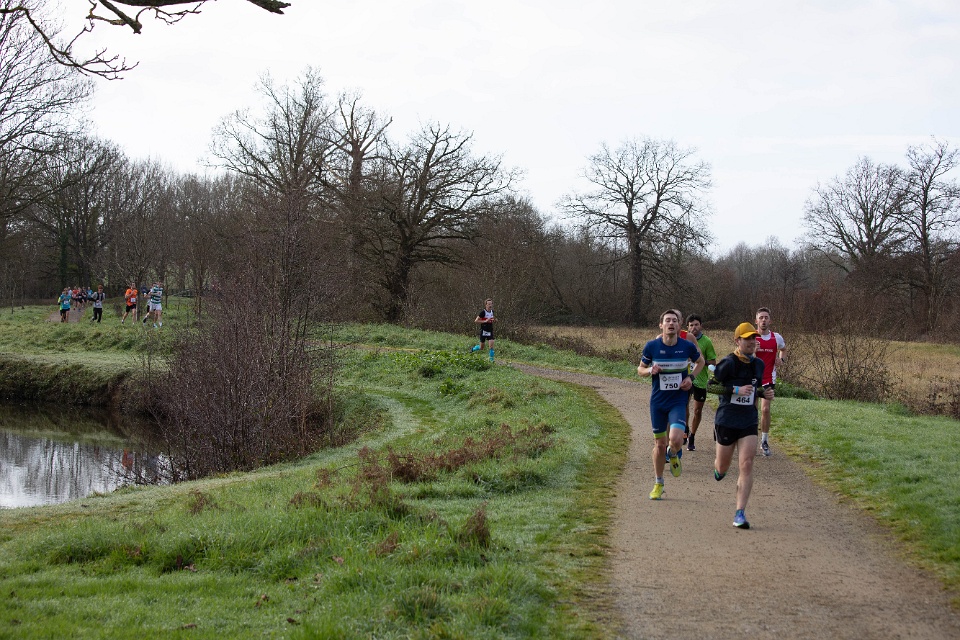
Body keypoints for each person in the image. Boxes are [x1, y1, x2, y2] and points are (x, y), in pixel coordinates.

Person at [712, 322, 775, 529]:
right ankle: (719, 469)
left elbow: (754, 389)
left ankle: (740, 512)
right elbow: (710, 387)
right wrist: (734, 390)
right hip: (727, 419)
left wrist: (764, 393)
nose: (751, 342)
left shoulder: (758, 365)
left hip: (748, 419)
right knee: (723, 467)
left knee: (747, 463)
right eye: (747, 338)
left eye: (753, 338)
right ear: (737, 341)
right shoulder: (728, 363)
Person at [637, 309, 705, 500]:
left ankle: (673, 453)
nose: (671, 323)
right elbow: (640, 369)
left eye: (674, 320)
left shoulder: (686, 346)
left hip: (678, 400)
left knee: (675, 439)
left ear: (679, 325)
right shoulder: (652, 346)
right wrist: (650, 370)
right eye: (667, 320)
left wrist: (691, 377)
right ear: (661, 325)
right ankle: (658, 483)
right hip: (658, 402)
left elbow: (701, 362)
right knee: (659, 445)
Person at [755, 307, 787, 456]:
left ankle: (764, 441)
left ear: (770, 321)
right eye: (761, 317)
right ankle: (750, 441)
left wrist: (781, 360)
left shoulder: (776, 337)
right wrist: (752, 351)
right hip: (752, 378)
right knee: (751, 411)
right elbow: (740, 354)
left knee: (765, 409)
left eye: (766, 317)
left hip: (768, 378)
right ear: (756, 321)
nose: (763, 320)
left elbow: (784, 349)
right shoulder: (751, 337)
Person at [685, 314, 717, 451]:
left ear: (701, 326)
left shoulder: (706, 341)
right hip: (686, 378)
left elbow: (713, 361)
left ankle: (692, 435)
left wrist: (700, 360)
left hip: (701, 380)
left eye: (696, 325)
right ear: (687, 327)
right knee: (683, 405)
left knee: (697, 410)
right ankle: (685, 429)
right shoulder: (683, 340)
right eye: (691, 325)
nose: (694, 327)